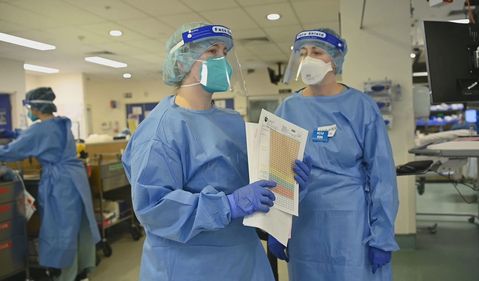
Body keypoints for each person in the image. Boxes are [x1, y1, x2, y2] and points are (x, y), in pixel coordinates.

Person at [122, 22, 312, 281]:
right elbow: (154, 208)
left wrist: (287, 180)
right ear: (181, 64)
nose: (222, 59)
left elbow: (253, 184)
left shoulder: (231, 121)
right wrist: (227, 204)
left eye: (225, 52)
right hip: (190, 266)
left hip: (244, 258)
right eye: (212, 52)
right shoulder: (160, 130)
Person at [267, 28, 400, 281]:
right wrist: (276, 226)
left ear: (335, 60)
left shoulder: (361, 107)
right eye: (303, 53)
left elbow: (382, 176)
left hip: (352, 225)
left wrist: (382, 235)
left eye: (317, 52)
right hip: (304, 224)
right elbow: (277, 174)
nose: (309, 59)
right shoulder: (288, 109)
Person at [0, 87, 100, 281]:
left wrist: (8, 144)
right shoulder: (61, 123)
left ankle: (65, 274)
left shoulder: (39, 129)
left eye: (29, 107)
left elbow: (13, 152)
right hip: (75, 179)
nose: (29, 111)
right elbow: (38, 136)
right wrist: (15, 134)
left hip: (60, 183)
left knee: (61, 228)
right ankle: (81, 271)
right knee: (77, 225)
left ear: (36, 108)